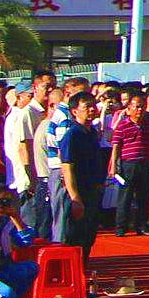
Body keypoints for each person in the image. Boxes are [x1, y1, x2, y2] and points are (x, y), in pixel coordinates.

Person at [55, 90, 107, 258]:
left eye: (93, 106)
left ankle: (83, 268)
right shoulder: (72, 135)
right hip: (79, 192)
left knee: (88, 236)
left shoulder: (92, 133)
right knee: (75, 237)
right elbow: (67, 168)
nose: (92, 110)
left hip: (93, 191)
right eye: (87, 107)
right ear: (75, 111)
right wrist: (75, 198)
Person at [5, 73, 53, 237]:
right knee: (30, 225)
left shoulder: (46, 112)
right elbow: (24, 147)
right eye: (46, 86)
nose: (50, 90)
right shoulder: (27, 113)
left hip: (43, 176)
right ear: (35, 88)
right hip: (30, 180)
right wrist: (31, 178)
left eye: (53, 86)